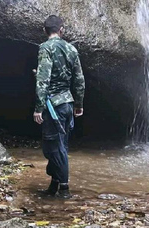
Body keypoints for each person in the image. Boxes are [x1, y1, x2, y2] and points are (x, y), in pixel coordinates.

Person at [34, 15, 85, 199]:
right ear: (62, 29)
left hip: (52, 105)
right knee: (60, 144)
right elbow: (79, 79)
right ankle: (54, 185)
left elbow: (43, 79)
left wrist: (38, 107)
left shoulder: (45, 48)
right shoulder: (71, 49)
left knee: (52, 148)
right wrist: (78, 104)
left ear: (44, 30)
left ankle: (64, 189)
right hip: (67, 103)